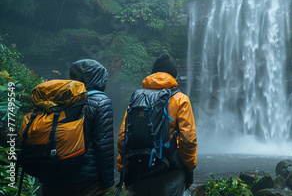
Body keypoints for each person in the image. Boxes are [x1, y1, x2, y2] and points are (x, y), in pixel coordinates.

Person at [117, 53, 198, 196]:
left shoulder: (137, 98)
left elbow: (123, 138)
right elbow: (188, 140)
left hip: (139, 171)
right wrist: (189, 168)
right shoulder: (180, 99)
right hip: (169, 173)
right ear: (174, 75)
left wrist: (125, 170)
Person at [40, 59, 115, 196]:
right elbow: (103, 145)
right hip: (84, 181)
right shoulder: (101, 101)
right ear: (99, 77)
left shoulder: (58, 97)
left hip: (52, 174)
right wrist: (108, 182)